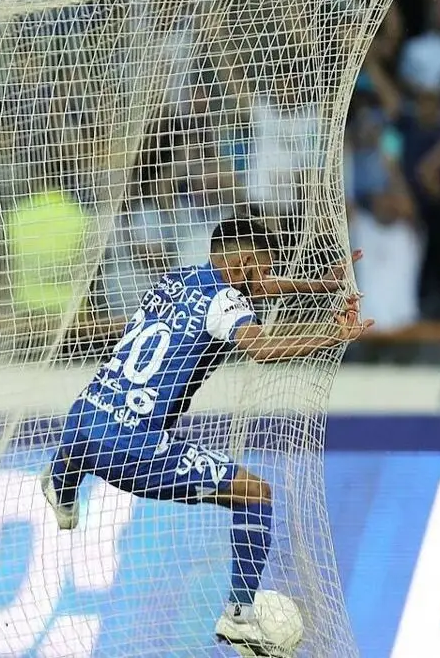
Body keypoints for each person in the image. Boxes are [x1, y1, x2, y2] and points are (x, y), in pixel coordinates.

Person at [41, 217, 368, 656]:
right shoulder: (227, 301)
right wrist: (333, 335)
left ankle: (62, 480)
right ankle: (239, 616)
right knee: (255, 493)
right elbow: (261, 349)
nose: (266, 282)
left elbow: (255, 289)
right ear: (244, 263)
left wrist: (320, 286)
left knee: (92, 429)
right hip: (133, 448)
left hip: (80, 419)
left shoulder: (175, 278)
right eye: (264, 270)